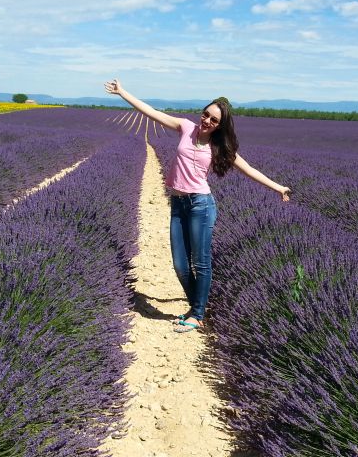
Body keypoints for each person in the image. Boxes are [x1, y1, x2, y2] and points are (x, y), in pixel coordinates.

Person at [104, 78, 291, 333]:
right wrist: (122, 92)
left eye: (214, 120)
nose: (207, 121)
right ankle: (197, 308)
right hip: (178, 204)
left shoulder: (218, 147)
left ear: (219, 126)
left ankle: (198, 314)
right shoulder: (185, 127)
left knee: (200, 262)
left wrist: (278, 187)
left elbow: (249, 170)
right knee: (180, 264)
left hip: (201, 205)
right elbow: (152, 112)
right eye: (206, 115)